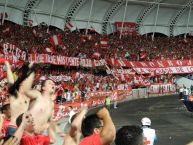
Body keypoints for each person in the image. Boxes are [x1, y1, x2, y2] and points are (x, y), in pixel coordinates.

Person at [4, 61, 35, 139]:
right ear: (21, 84)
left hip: (23, 129)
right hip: (13, 128)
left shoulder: (28, 97)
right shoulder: (15, 95)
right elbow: (11, 82)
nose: (29, 83)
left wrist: (30, 68)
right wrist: (7, 64)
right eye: (26, 81)